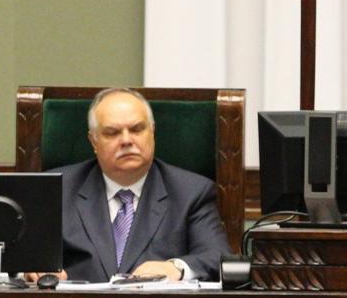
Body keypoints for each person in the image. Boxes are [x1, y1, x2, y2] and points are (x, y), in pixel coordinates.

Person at [50, 87, 228, 283]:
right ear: (94, 141)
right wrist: (31, 269)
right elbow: (25, 254)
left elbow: (217, 257)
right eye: (112, 132)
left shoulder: (191, 192)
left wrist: (175, 267)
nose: (126, 140)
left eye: (136, 129)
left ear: (152, 132)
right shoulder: (56, 189)